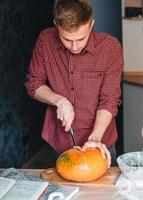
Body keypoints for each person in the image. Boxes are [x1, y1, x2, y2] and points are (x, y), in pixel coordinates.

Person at [25, 0, 123, 166]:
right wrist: (59, 101)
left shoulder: (110, 47)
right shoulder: (45, 40)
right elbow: (33, 83)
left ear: (91, 24)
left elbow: (110, 100)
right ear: (56, 25)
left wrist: (94, 139)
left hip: (100, 143)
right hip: (60, 143)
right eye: (67, 39)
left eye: (81, 38)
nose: (75, 46)